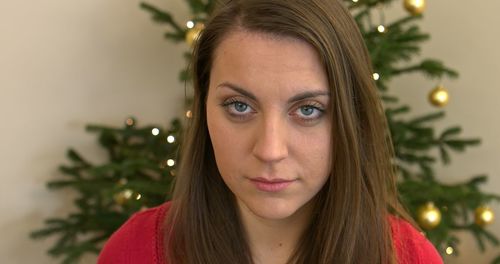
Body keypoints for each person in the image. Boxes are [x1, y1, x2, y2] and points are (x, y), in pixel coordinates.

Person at [98, 0, 443, 263]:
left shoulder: (408, 256)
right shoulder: (137, 250)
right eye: (239, 106)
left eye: (308, 110)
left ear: (349, 121)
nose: (270, 150)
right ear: (203, 112)